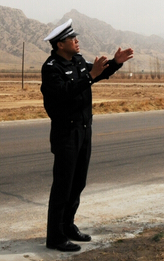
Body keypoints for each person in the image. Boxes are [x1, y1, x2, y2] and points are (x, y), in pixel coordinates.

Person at [41, 18, 133, 252]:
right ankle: (55, 237)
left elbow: (97, 73)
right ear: (60, 45)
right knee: (63, 185)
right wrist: (90, 76)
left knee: (78, 182)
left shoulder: (79, 61)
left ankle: (68, 226)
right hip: (66, 133)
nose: (77, 41)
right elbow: (64, 92)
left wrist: (115, 63)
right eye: (72, 39)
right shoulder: (52, 68)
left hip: (84, 130)